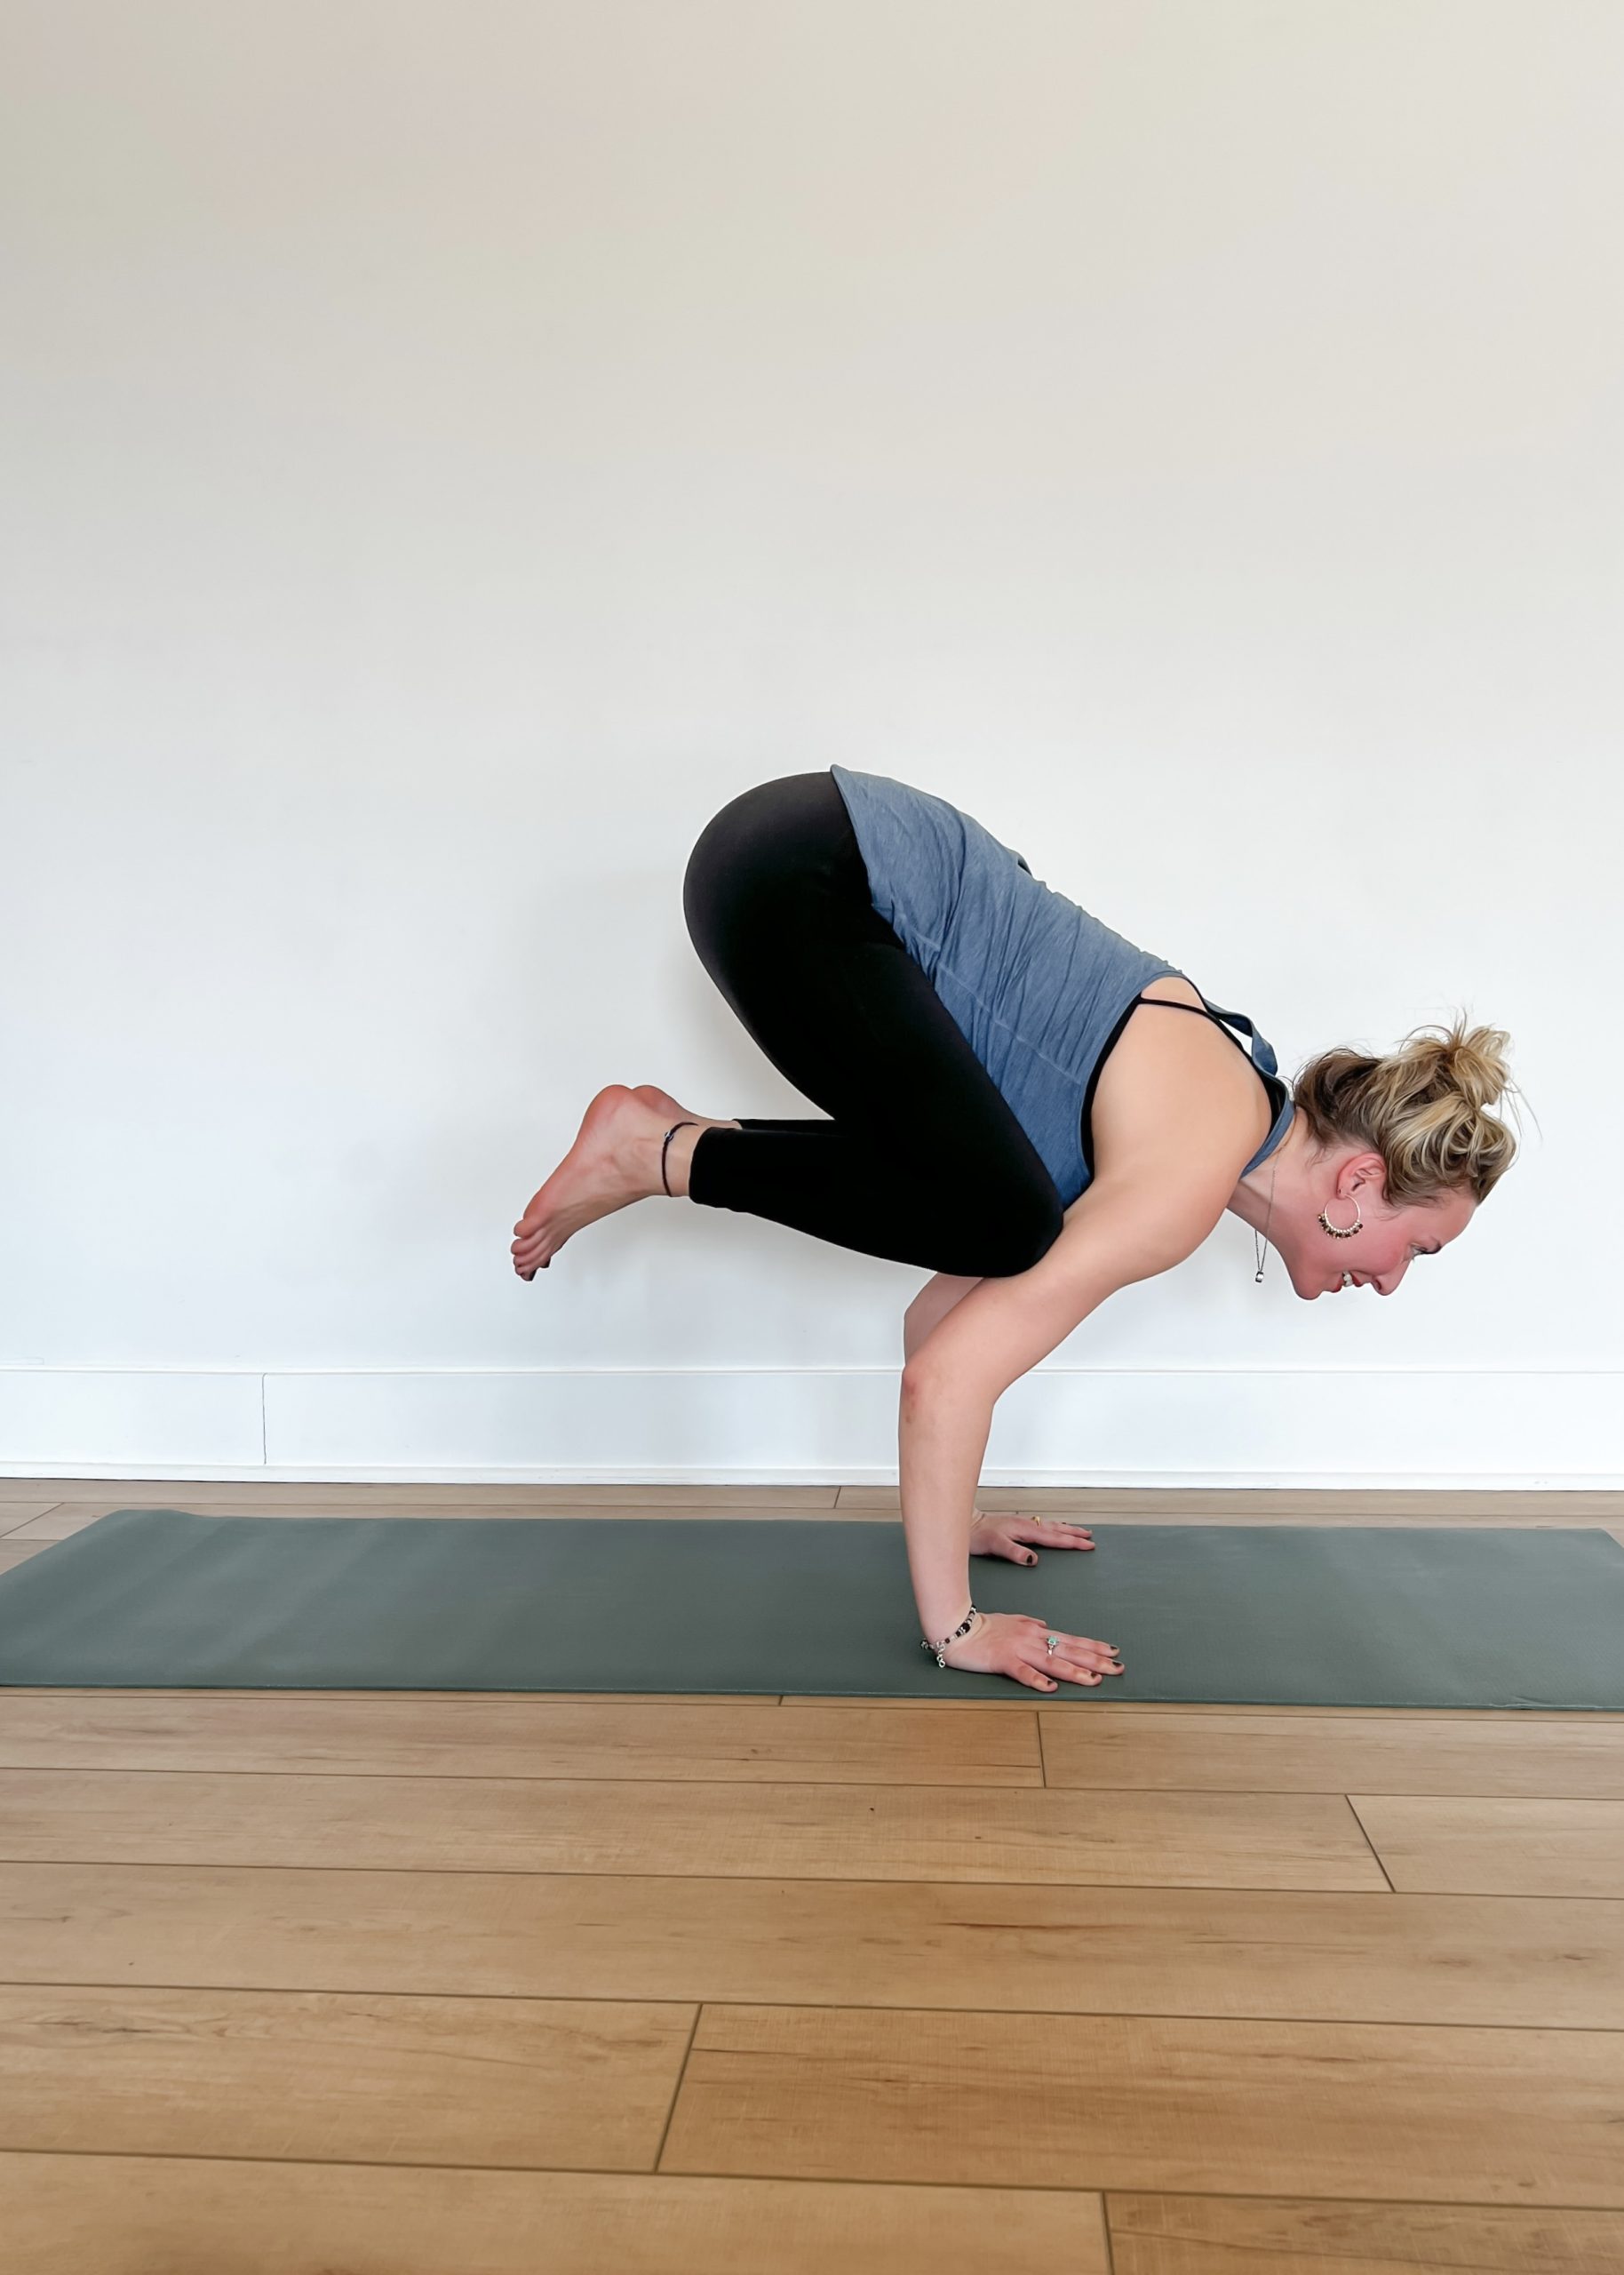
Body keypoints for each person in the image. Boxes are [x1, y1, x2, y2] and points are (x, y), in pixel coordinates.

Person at [510, 767, 1518, 1694]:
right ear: (1358, 1179)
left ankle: (659, 1143)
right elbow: (943, 1381)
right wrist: (956, 1626)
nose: (1391, 1282)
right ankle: (655, 1148)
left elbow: (943, 1328)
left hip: (792, 852)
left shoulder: (1206, 1119)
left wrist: (957, 1517)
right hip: (807, 876)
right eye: (1417, 1250)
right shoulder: (1185, 1167)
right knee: (1007, 1214)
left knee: (1006, 1216)